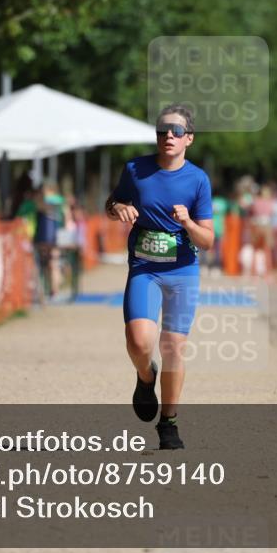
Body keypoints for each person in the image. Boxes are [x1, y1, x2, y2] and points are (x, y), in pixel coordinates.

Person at [105, 104, 214, 450]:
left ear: (189, 139)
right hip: (145, 269)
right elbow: (113, 203)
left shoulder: (198, 180)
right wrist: (117, 208)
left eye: (177, 131)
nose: (169, 136)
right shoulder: (136, 169)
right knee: (139, 342)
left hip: (182, 272)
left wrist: (188, 223)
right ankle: (144, 375)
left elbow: (208, 240)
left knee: (173, 348)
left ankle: (169, 423)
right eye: (163, 130)